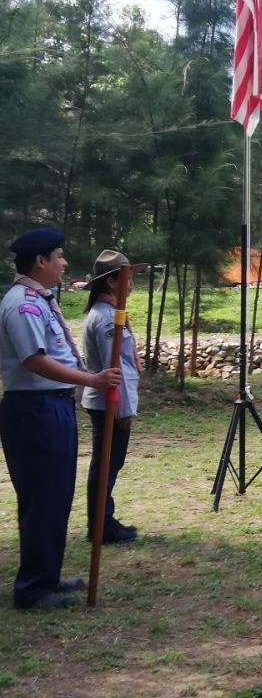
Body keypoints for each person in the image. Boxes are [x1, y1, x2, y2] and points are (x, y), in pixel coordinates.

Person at [0, 228, 121, 610]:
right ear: (41, 261)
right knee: (42, 497)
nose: (64, 262)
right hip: (34, 409)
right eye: (59, 255)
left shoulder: (38, 300)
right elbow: (34, 360)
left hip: (51, 406)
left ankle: (45, 576)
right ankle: (34, 588)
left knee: (54, 496)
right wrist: (92, 379)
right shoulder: (23, 305)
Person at [81, 250, 147, 545]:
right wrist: (124, 410)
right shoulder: (107, 319)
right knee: (106, 464)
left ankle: (103, 520)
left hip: (111, 402)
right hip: (111, 404)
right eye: (127, 277)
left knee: (107, 464)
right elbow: (114, 369)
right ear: (110, 283)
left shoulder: (111, 313)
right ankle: (101, 526)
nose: (132, 283)